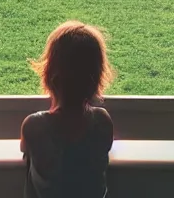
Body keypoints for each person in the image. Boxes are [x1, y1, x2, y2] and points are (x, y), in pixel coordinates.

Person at [20, 20, 115, 198]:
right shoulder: (102, 122)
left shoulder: (34, 126)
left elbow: (26, 149)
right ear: (96, 80)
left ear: (50, 76)